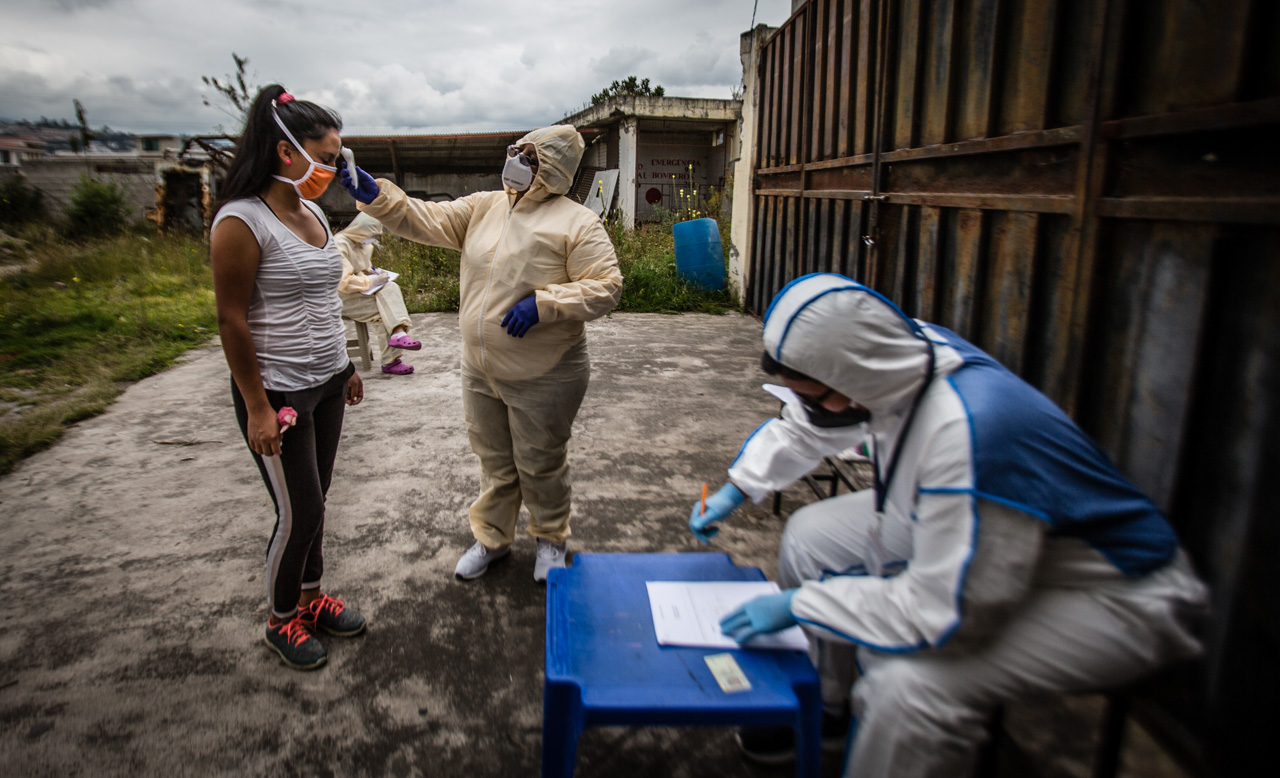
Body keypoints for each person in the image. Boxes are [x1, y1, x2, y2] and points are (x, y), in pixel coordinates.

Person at [691, 273, 1209, 776]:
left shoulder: (970, 432)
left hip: (1115, 594)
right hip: (997, 530)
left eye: (820, 396)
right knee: (812, 536)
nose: (819, 410)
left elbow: (942, 616)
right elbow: (813, 424)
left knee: (910, 684)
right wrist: (738, 487)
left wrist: (802, 604)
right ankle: (828, 706)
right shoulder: (898, 353)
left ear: (855, 378)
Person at [338, 125, 622, 583]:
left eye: (529, 156)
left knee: (540, 463)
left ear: (553, 168)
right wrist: (378, 198)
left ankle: (551, 539)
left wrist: (545, 304)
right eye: (515, 151)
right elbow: (425, 217)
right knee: (494, 462)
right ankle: (493, 538)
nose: (515, 161)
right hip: (480, 368)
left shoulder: (577, 222)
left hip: (545, 372)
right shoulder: (484, 207)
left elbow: (606, 287)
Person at [210, 85, 367, 671]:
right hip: (278, 389)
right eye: (325, 157)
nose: (333, 169)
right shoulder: (241, 221)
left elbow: (323, 302)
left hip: (326, 382)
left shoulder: (314, 212)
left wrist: (345, 366)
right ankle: (280, 621)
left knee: (316, 502)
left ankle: (310, 598)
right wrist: (256, 407)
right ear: (285, 151)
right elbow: (231, 320)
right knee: (299, 512)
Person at [334, 212, 420, 375]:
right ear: (361, 230)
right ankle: (392, 356)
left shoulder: (364, 244)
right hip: (341, 296)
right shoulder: (340, 244)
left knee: (391, 287)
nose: (373, 239)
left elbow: (364, 267)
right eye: (371, 235)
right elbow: (342, 281)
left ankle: (398, 336)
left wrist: (373, 273)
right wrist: (370, 281)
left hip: (359, 291)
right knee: (384, 313)